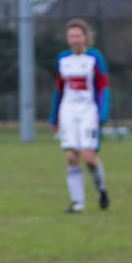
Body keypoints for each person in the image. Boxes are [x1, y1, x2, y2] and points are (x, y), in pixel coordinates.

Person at [49, 18, 111, 214]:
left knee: (89, 157)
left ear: (85, 37)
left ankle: (101, 190)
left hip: (89, 112)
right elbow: (59, 90)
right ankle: (78, 203)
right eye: (71, 36)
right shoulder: (63, 60)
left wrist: (103, 112)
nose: (74, 39)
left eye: (78, 35)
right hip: (67, 111)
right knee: (71, 156)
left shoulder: (95, 58)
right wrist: (54, 118)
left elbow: (103, 87)